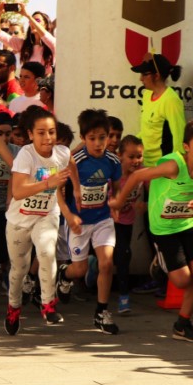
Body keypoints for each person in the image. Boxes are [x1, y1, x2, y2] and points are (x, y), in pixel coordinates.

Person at [111, 117, 193, 343]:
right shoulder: (173, 166)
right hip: (163, 227)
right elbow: (138, 175)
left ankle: (182, 324)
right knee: (182, 280)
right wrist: (120, 201)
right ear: (187, 147)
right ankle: (160, 265)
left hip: (189, 223)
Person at [3, 106, 71, 335]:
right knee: (19, 269)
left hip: (47, 215)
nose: (47, 137)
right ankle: (13, 307)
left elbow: (71, 166)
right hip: (20, 219)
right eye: (41, 132)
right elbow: (19, 191)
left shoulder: (62, 153)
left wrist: (78, 193)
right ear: (31, 135)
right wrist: (48, 184)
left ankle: (48, 304)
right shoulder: (25, 155)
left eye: (51, 132)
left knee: (47, 252)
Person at [58, 109, 121, 334]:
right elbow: (57, 191)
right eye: (92, 138)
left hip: (103, 219)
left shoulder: (112, 160)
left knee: (106, 264)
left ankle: (102, 312)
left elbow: (118, 184)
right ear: (83, 139)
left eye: (102, 137)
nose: (98, 143)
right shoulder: (75, 161)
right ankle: (64, 274)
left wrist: (115, 201)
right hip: (79, 222)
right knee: (80, 269)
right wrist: (69, 215)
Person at [111, 135, 145, 315]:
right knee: (121, 254)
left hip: (127, 222)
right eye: (131, 157)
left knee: (122, 255)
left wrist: (144, 206)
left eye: (139, 156)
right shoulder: (114, 175)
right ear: (120, 156)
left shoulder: (143, 173)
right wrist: (113, 204)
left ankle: (123, 296)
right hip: (109, 223)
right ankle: (123, 296)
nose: (136, 161)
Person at [133, 54, 185, 168]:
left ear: (156, 76)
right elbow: (147, 129)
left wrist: (176, 167)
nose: (140, 78)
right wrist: (130, 144)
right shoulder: (147, 94)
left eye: (144, 74)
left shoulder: (171, 100)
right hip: (144, 163)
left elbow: (179, 136)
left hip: (162, 166)